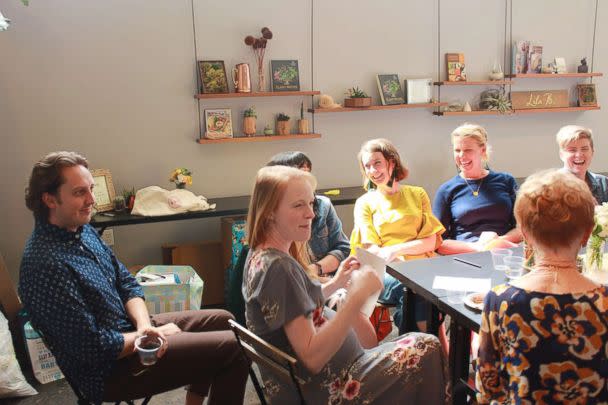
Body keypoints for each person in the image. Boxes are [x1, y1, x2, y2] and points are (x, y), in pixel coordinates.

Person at [18, 152, 249, 405]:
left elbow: (127, 283)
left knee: (225, 320)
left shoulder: (81, 230)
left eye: (91, 189)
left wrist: (144, 327)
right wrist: (152, 335)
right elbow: (94, 348)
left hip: (131, 332)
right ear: (49, 199)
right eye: (79, 193)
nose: (92, 200)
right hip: (110, 372)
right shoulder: (45, 265)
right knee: (237, 347)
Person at [243, 165, 449, 404]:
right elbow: (312, 357)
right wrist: (355, 299)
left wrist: (336, 283)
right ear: (269, 212)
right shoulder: (278, 268)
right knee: (427, 345)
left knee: (416, 344)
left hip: (319, 380)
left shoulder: (261, 255)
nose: (311, 214)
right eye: (298, 205)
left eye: (311, 204)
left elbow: (294, 304)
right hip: (331, 389)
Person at [476, 169, 608, 403]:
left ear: (524, 234)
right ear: (588, 234)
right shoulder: (604, 301)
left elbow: (489, 387)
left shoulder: (500, 300)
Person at [350, 138, 445, 329]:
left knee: (434, 292)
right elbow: (372, 250)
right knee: (412, 289)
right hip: (384, 270)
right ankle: (419, 348)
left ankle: (417, 348)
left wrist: (395, 250)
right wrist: (397, 257)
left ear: (392, 163)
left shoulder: (417, 194)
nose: (373, 171)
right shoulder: (365, 203)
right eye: (367, 166)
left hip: (423, 265)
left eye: (377, 163)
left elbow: (431, 240)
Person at [433, 123, 521, 255]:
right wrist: (478, 248)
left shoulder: (506, 181)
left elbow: (523, 227)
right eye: (457, 150)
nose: (461, 155)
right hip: (466, 256)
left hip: (504, 253)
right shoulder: (446, 190)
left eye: (468, 150)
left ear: (483, 150)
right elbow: (438, 242)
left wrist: (499, 242)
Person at [266, 151, 350, 277]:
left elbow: (343, 248)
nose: (310, 214)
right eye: (301, 177)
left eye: (308, 175)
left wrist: (316, 269)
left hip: (325, 277)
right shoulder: (278, 217)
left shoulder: (323, 205)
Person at [556, 124, 608, 204]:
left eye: (584, 149)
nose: (579, 155)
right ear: (561, 155)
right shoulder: (551, 187)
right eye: (572, 150)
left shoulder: (604, 183)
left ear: (592, 152)